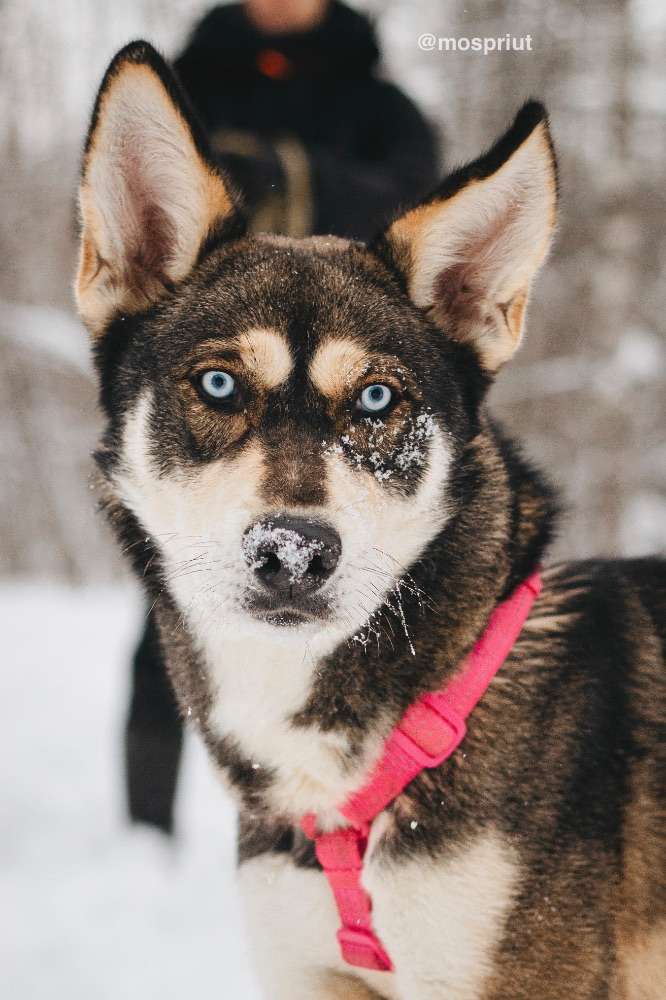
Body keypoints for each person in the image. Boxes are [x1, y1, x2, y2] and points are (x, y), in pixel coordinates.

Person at [126, 0, 440, 833]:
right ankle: (145, 830)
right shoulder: (189, 84)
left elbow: (417, 202)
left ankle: (376, 824)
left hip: (351, 336)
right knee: (163, 640)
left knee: (393, 627)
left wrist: (283, 175)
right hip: (216, 359)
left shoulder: (380, 106)